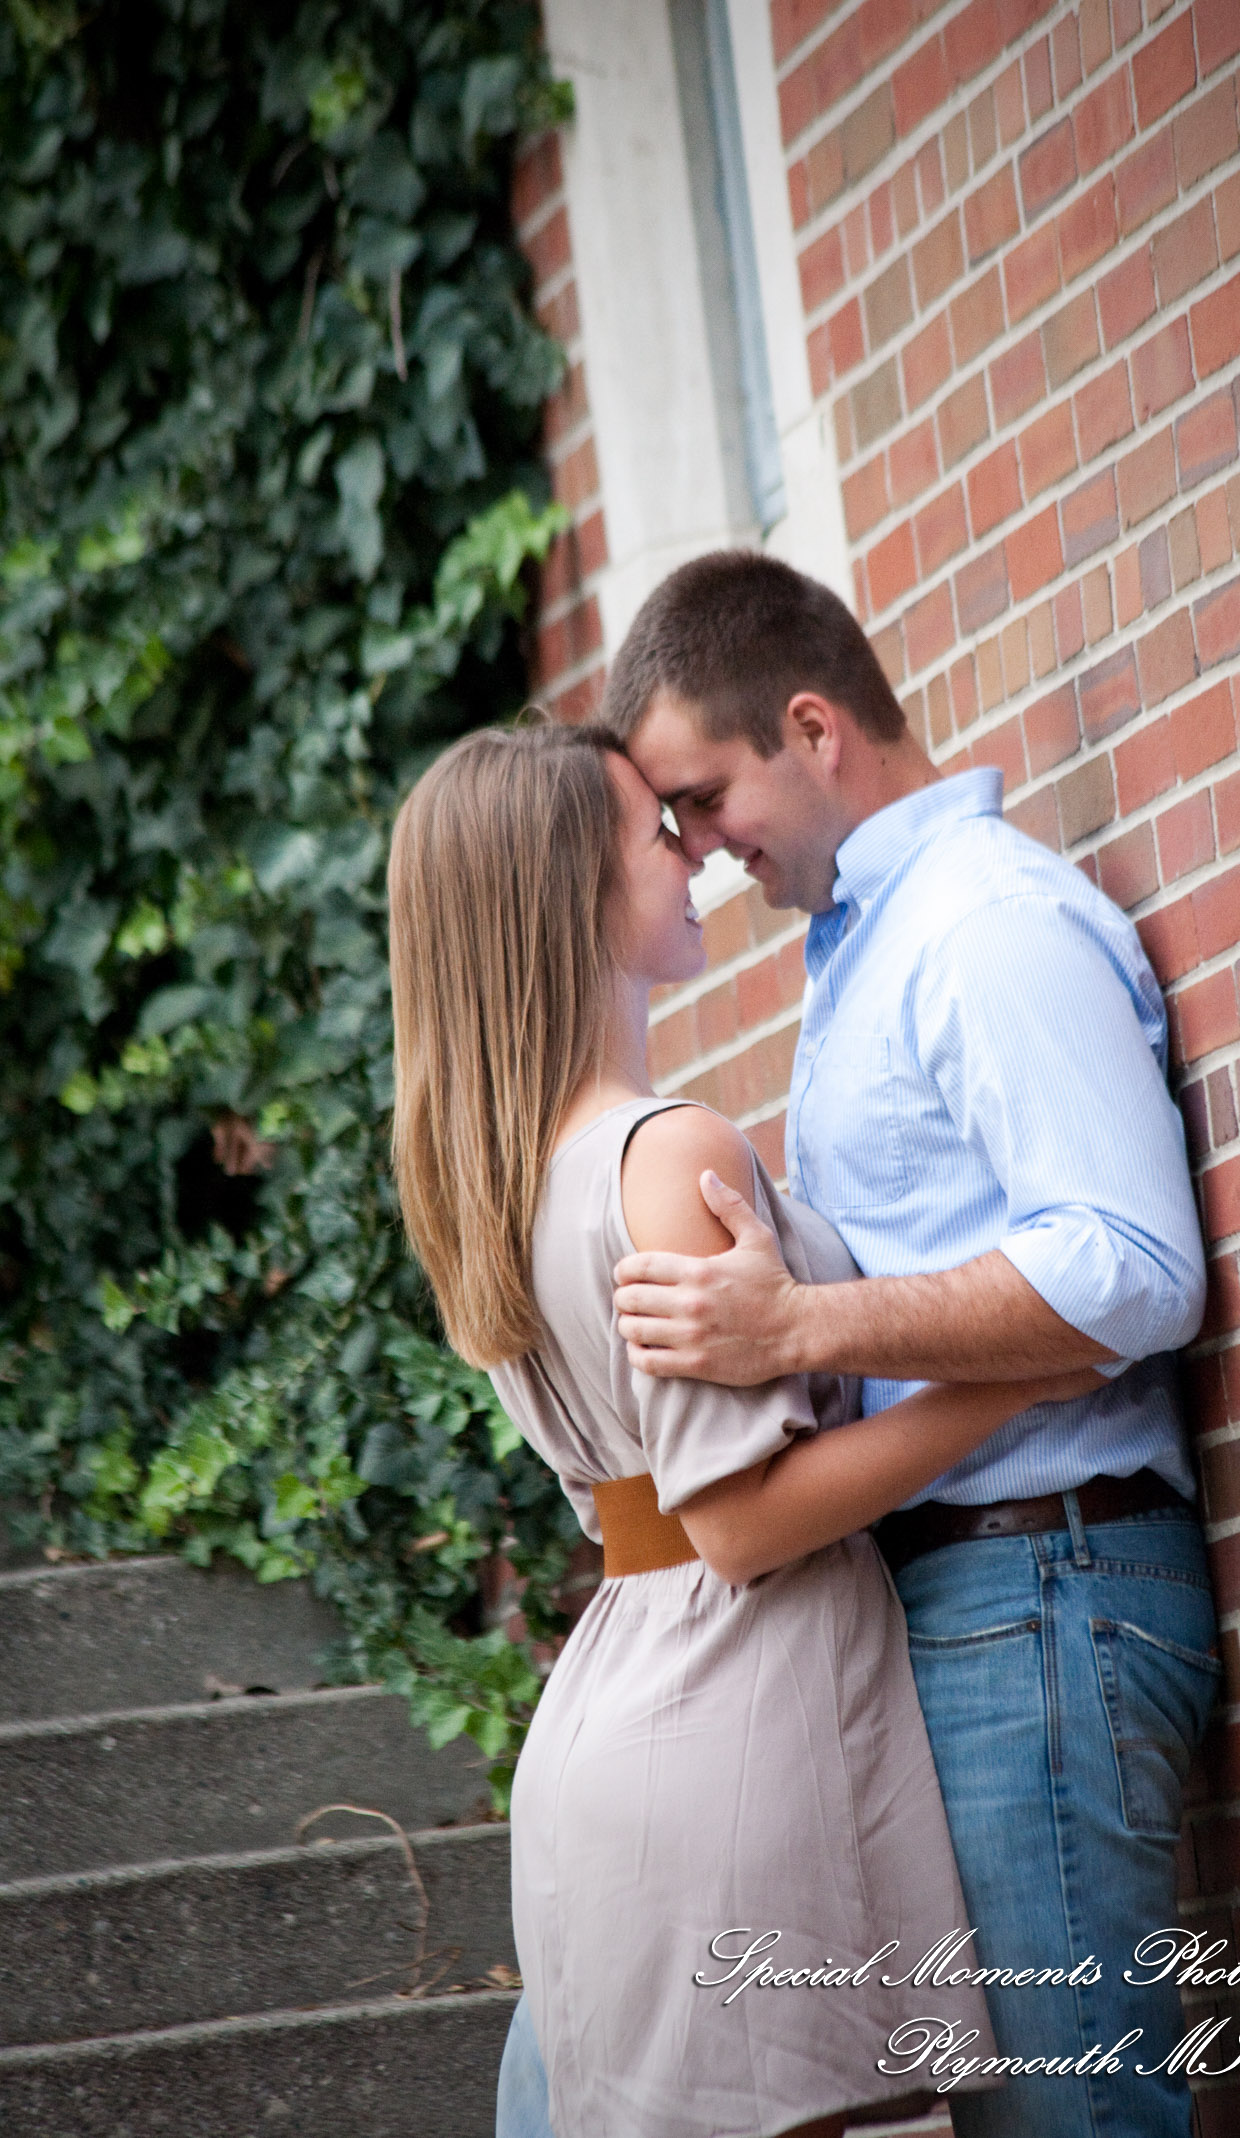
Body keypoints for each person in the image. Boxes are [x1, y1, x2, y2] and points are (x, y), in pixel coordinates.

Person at [386, 721, 1100, 2138]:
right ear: (572, 887)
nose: (694, 852)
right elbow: (743, 1518)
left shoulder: (511, 1185)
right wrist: (1019, 1368)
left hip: (617, 1711)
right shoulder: (666, 1151)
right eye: (658, 832)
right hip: (731, 1712)